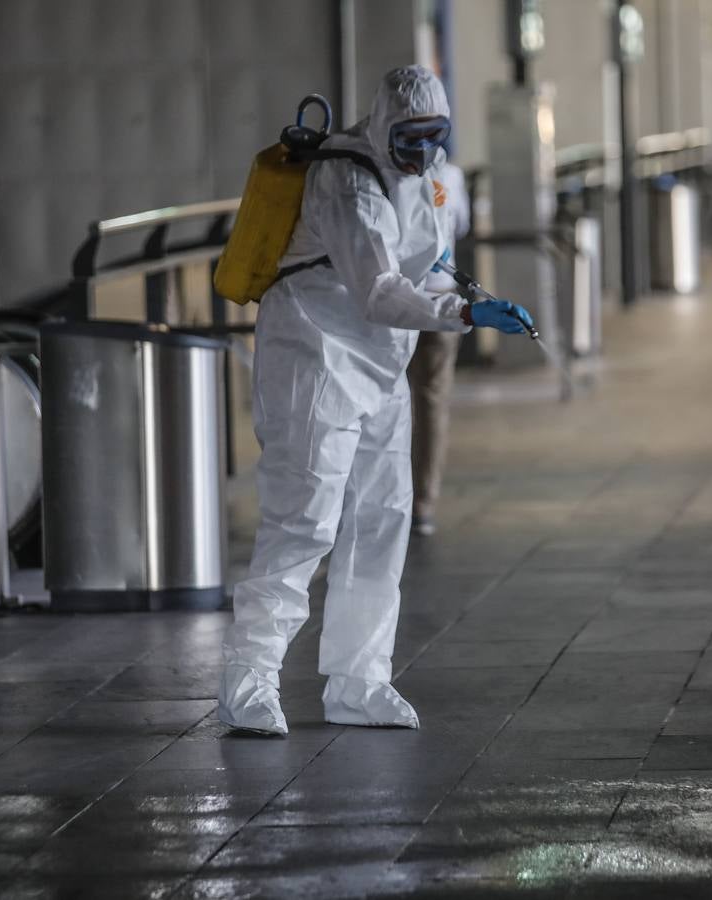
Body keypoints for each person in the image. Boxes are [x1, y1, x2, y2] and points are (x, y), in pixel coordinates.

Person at [218, 66, 534, 736]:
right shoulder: (346, 179)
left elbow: (433, 245)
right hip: (315, 356)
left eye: (434, 138)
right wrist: (468, 313)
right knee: (303, 520)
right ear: (384, 127)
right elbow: (379, 292)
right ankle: (249, 679)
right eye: (410, 138)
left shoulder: (435, 178)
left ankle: (359, 681)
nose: (422, 152)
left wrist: (460, 290)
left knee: (380, 520)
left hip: (382, 366)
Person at [408, 160, 471, 537]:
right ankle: (422, 504)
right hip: (440, 298)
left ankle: (384, 500)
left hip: (396, 297)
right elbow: (460, 225)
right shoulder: (450, 176)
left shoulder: (380, 171)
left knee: (383, 400)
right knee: (431, 401)